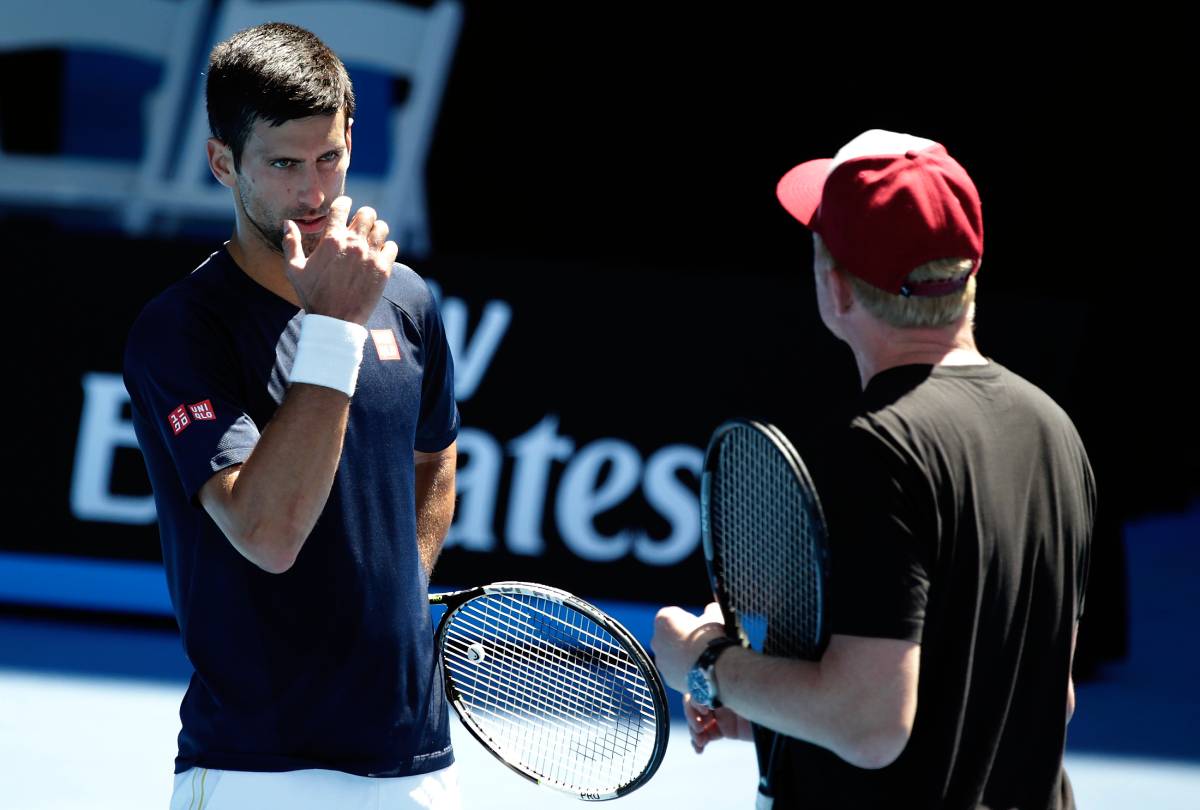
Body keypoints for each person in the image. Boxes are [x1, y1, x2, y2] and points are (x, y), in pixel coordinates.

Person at [652, 129, 1094, 809]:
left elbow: (870, 726)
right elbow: (1040, 697)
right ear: (969, 271)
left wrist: (706, 665)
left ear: (837, 290)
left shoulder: (872, 450)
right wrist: (775, 711)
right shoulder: (1054, 430)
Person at [123, 23, 460, 809]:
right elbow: (267, 534)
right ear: (222, 163)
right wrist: (336, 331)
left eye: (330, 159)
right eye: (283, 165)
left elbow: (433, 460)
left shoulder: (407, 298)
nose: (314, 194)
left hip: (416, 764)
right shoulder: (180, 331)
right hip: (258, 770)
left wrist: (400, 589)